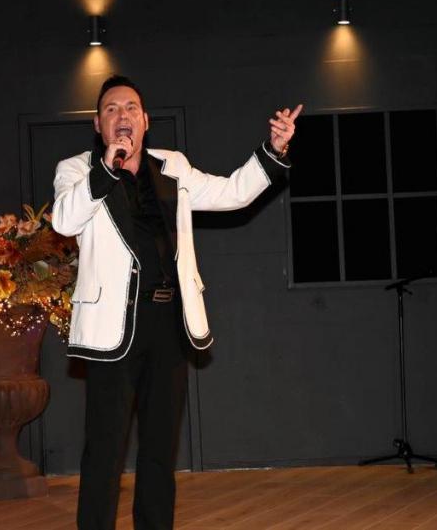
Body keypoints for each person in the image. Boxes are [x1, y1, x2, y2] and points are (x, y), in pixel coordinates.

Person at [52, 75, 302, 530]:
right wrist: (106, 168)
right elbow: (65, 222)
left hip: (168, 323)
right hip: (112, 331)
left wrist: (273, 150)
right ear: (98, 124)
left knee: (159, 451)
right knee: (104, 451)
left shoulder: (173, 166)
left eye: (131, 108)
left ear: (146, 121)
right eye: (111, 109)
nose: (122, 116)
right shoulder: (76, 170)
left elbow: (232, 193)